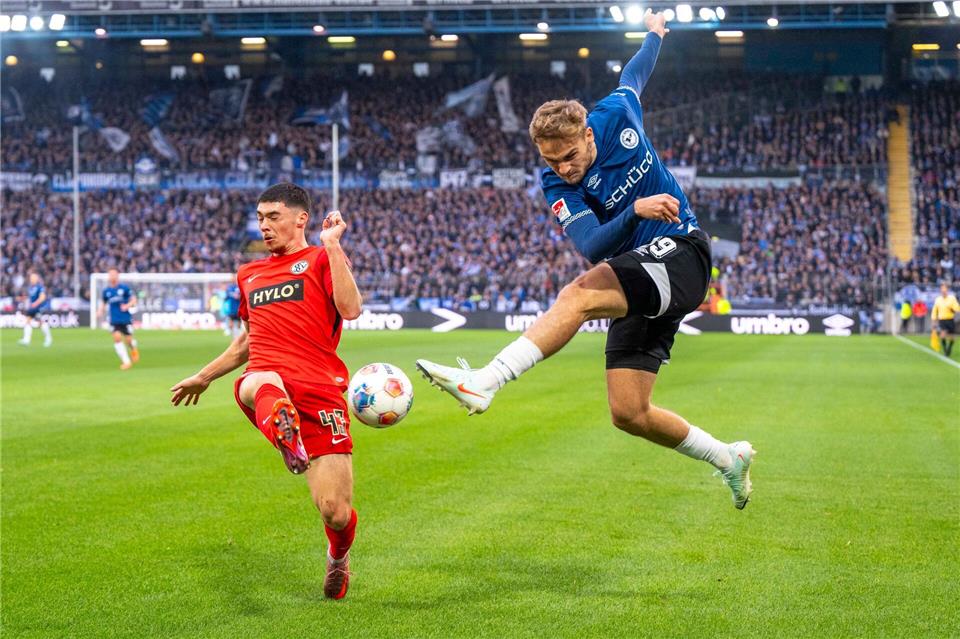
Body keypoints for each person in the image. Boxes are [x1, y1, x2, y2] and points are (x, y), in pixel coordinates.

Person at [416, 11, 755, 510]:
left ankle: (484, 381)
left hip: (683, 252)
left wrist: (654, 33)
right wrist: (634, 210)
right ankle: (728, 458)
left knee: (574, 296)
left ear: (589, 134)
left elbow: (636, 73)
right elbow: (593, 244)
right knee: (629, 413)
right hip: (639, 270)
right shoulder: (555, 184)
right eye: (551, 161)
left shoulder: (617, 113)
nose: (563, 168)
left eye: (570, 155)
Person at [169, 183, 363, 599]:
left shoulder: (321, 257)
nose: (264, 226)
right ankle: (286, 436)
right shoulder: (249, 274)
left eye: (272, 217)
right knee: (259, 381)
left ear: (300, 218)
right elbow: (247, 342)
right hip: (269, 382)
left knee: (336, 511)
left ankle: (338, 559)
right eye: (260, 218)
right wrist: (205, 376)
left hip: (320, 390)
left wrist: (332, 245)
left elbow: (351, 309)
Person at [99, 268, 140, 370]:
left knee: (128, 341)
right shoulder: (106, 291)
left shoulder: (124, 288)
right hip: (114, 320)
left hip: (125, 319)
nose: (112, 276)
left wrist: (127, 305)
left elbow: (134, 300)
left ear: (117, 276)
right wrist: (100, 311)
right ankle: (126, 362)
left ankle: (133, 348)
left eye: (114, 274)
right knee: (117, 338)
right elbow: (103, 303)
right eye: (110, 274)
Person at [18, 271, 53, 348]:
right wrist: (22, 299)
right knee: (28, 321)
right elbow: (31, 298)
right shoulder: (31, 288)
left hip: (39, 307)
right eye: (31, 278)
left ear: (36, 279)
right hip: (33, 308)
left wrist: (36, 304)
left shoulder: (40, 287)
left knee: (40, 322)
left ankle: (48, 339)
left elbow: (42, 297)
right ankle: (26, 340)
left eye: (33, 278)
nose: (31, 279)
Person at [932, 283, 960, 357]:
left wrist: (953, 309)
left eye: (945, 290)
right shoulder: (938, 299)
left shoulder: (952, 298)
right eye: (942, 290)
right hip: (942, 320)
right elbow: (935, 310)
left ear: (947, 291)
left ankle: (949, 347)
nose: (944, 292)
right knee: (943, 335)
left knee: (952, 337)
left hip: (950, 319)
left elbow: (957, 308)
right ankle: (945, 350)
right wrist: (934, 319)